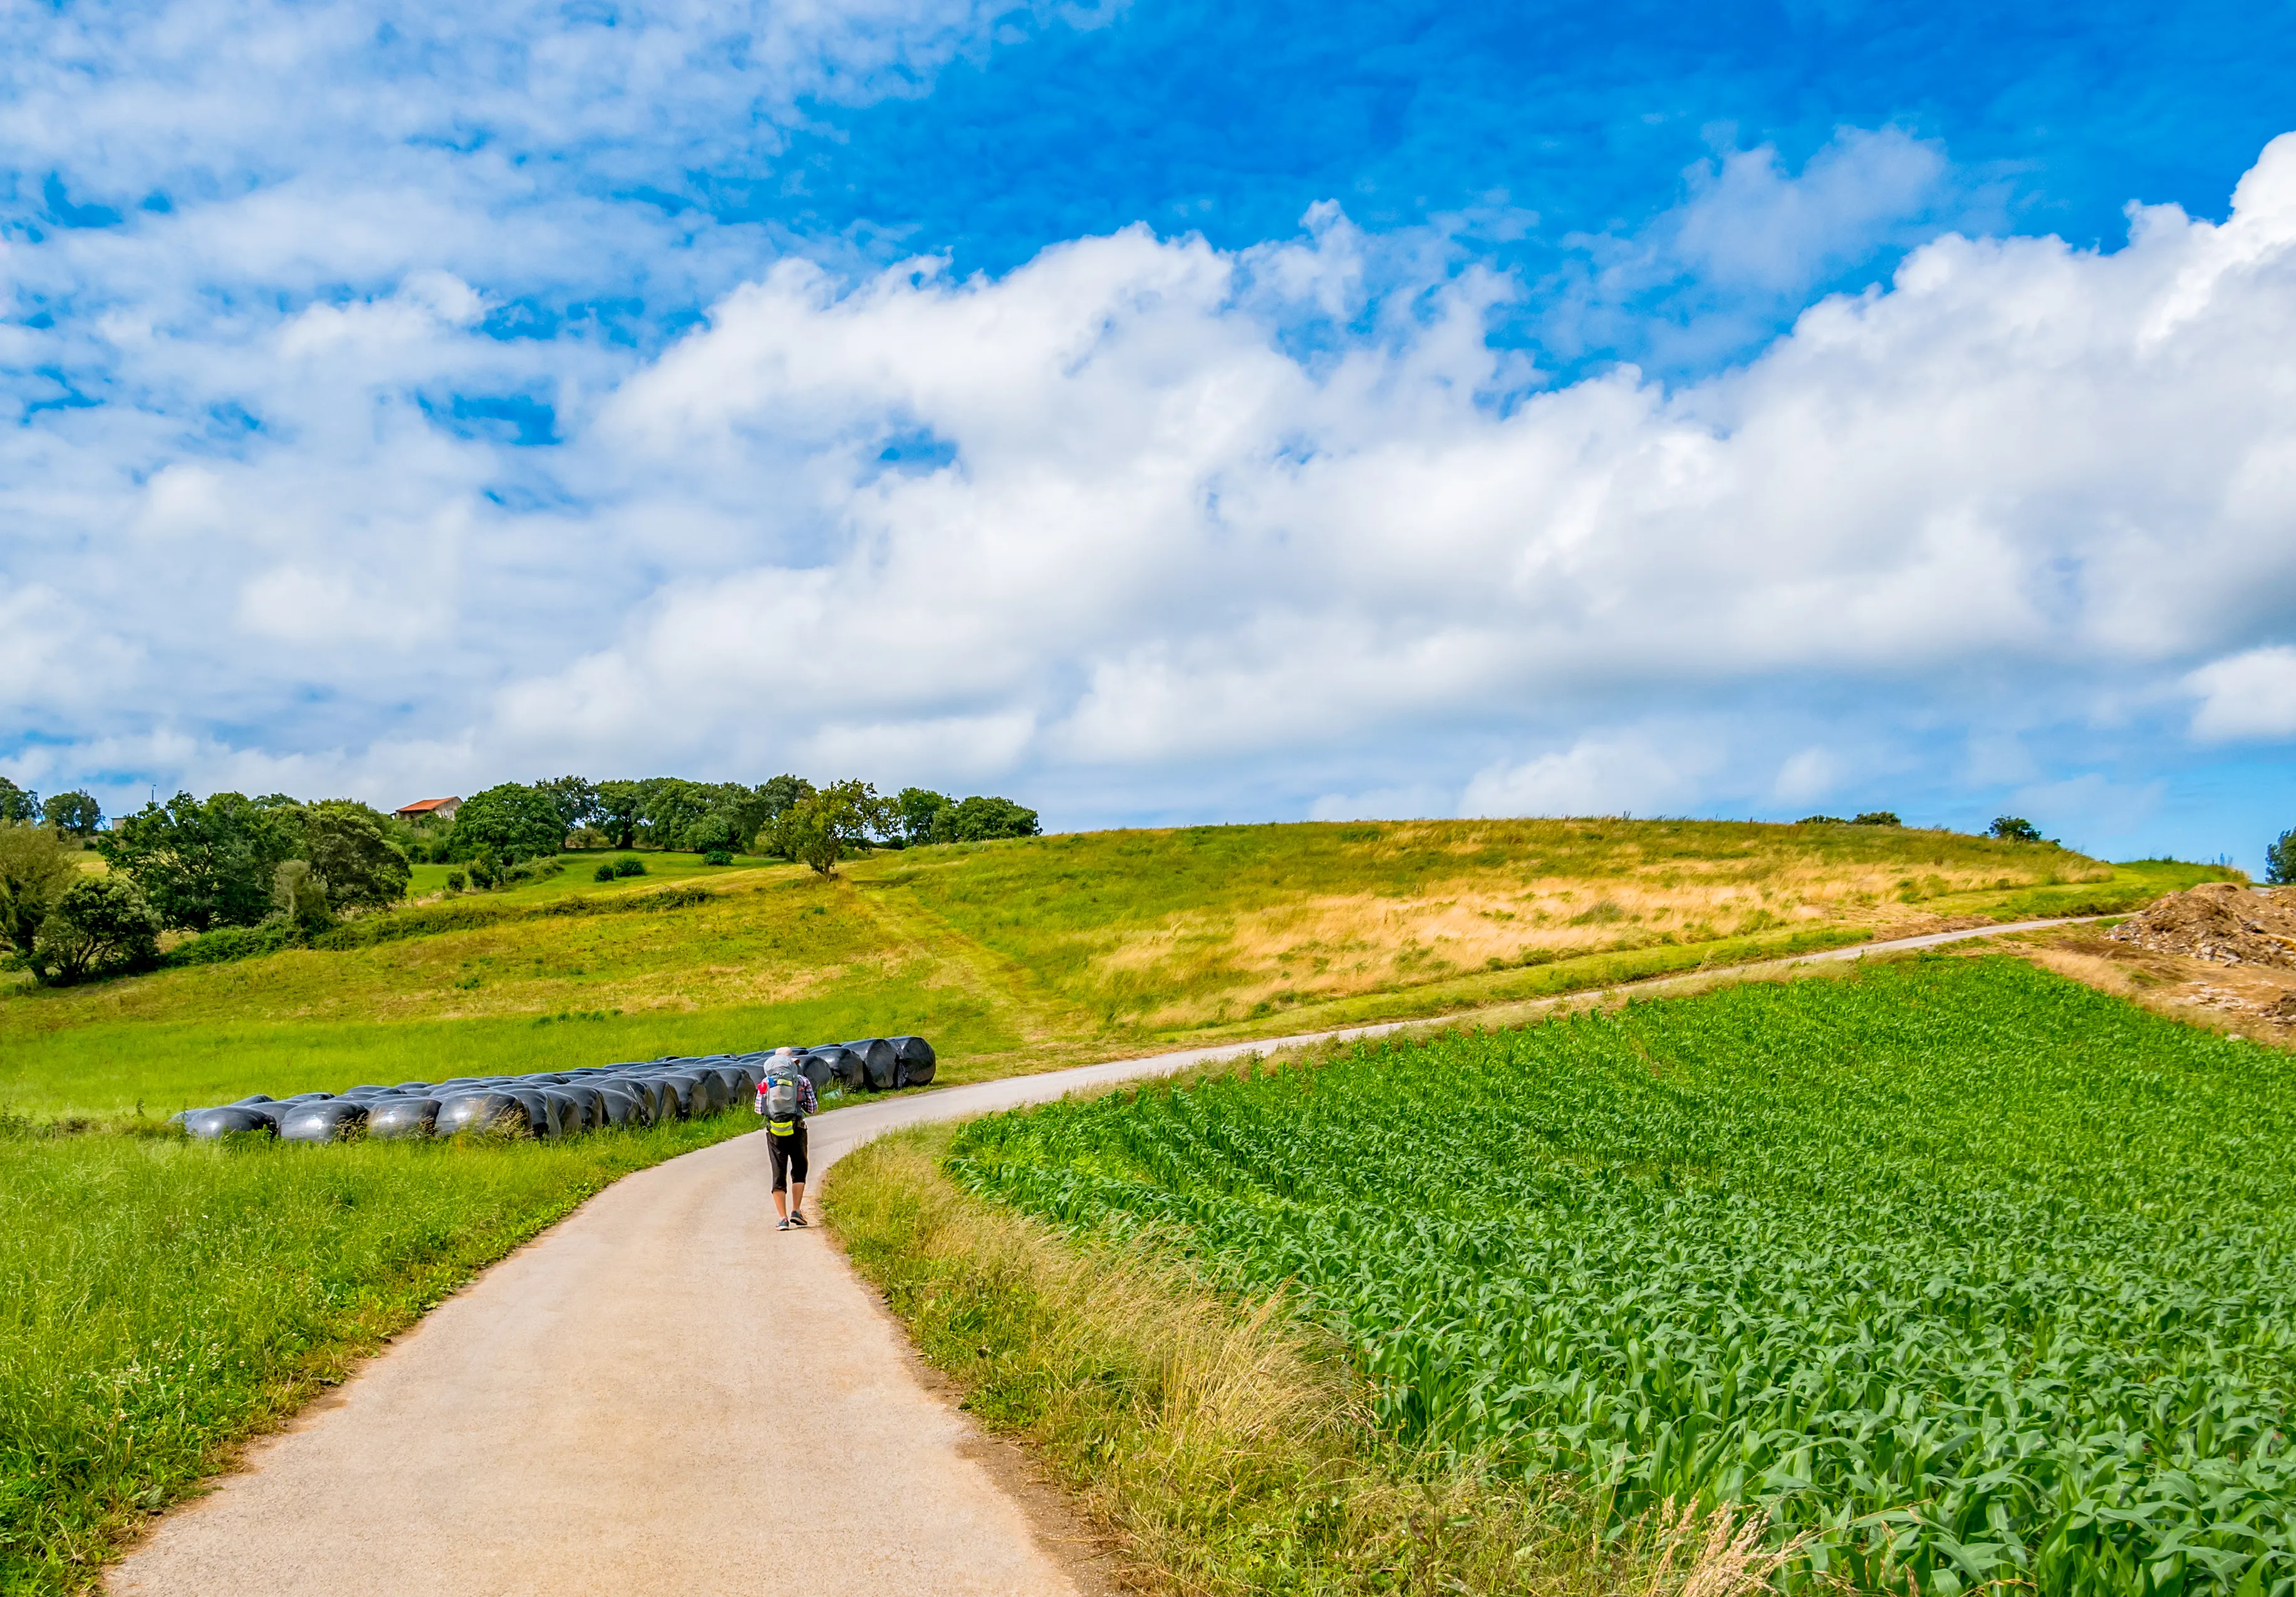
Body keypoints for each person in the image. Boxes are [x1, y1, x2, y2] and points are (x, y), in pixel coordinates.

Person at [754, 1047, 818, 1231]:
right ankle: (796, 1211)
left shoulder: (766, 1082)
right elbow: (813, 1108)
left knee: (778, 1172)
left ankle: (782, 1219)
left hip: (775, 1132)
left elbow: (759, 1109)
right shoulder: (802, 1081)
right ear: (793, 1063)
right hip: (797, 1129)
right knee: (799, 1169)